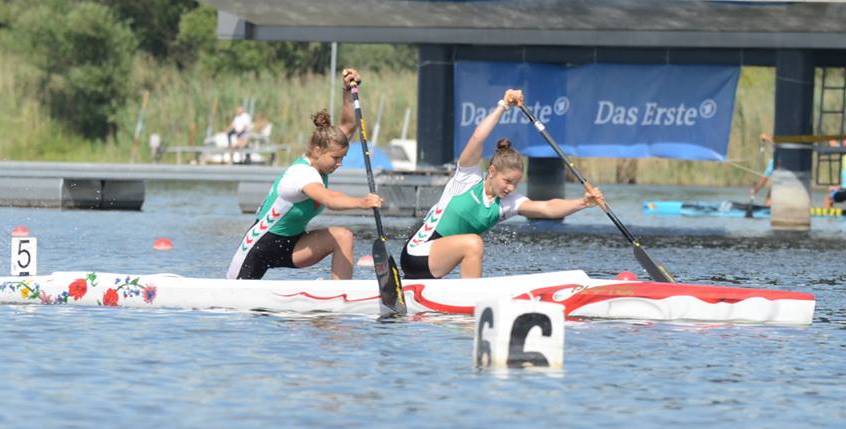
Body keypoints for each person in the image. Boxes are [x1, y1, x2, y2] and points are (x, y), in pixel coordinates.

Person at [400, 89, 603, 279]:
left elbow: (547, 208)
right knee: (474, 243)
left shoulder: (507, 204)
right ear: (492, 171)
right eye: (507, 181)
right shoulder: (467, 177)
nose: (511, 188)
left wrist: (583, 203)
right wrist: (504, 105)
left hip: (437, 262)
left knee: (473, 244)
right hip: (415, 254)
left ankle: (468, 299)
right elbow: (478, 137)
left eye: (516, 183)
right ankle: (472, 304)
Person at [227, 68, 382, 280]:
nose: (339, 164)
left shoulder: (326, 149)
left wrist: (347, 90)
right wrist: (362, 202)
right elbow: (330, 199)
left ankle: (339, 298)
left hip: (293, 244)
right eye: (336, 159)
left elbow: (347, 125)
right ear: (317, 151)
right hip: (259, 247)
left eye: (342, 158)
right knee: (236, 303)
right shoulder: (301, 174)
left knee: (343, 237)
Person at [750, 133, 774, 207]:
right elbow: (764, 180)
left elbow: (781, 142)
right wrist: (755, 190)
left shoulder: (775, 161)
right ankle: (769, 205)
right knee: (768, 201)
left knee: (769, 200)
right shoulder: (772, 162)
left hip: (786, 188)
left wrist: (767, 138)